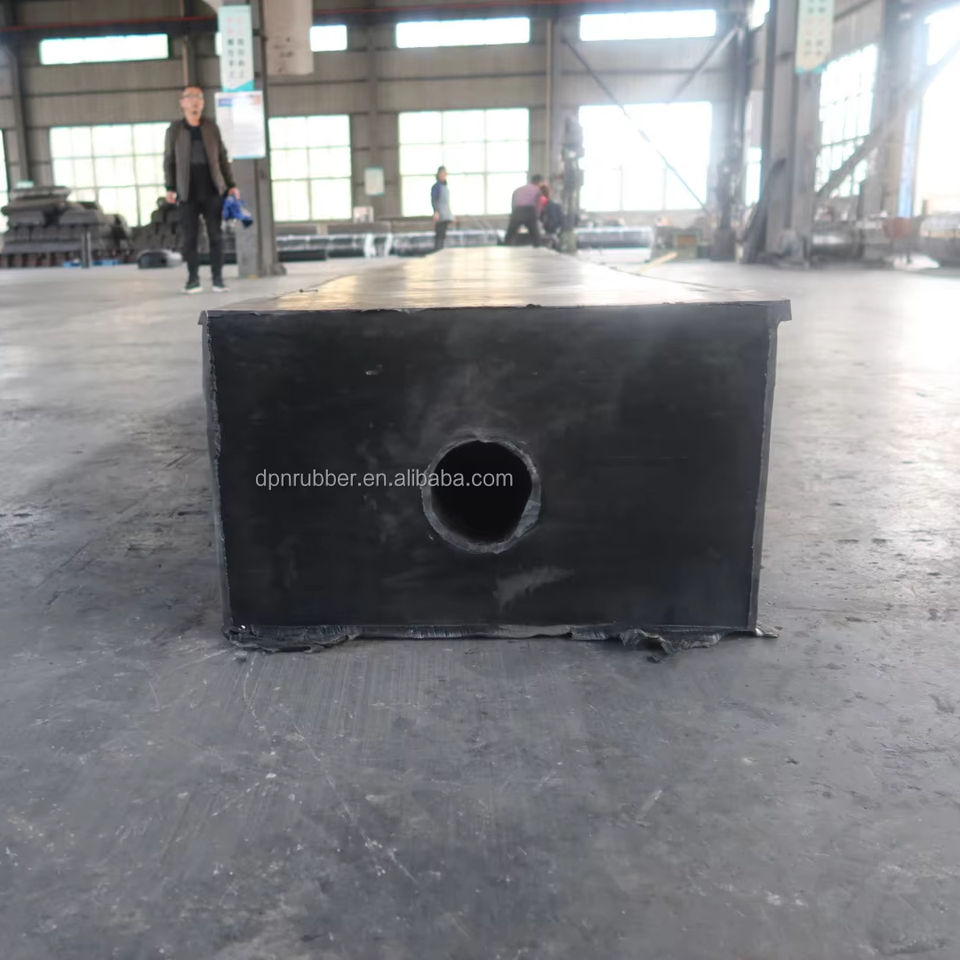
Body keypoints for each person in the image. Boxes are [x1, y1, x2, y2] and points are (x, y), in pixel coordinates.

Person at [163, 85, 240, 294]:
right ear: (183, 103)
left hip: (212, 190)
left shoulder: (211, 127)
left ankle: (218, 279)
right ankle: (193, 280)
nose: (195, 101)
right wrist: (170, 187)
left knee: (216, 236)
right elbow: (169, 160)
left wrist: (231, 185)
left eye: (198, 97)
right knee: (190, 238)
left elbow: (222, 157)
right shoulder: (175, 130)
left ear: (203, 103)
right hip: (186, 191)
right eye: (190, 97)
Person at [504, 174, 543, 246]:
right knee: (534, 232)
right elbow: (538, 205)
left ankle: (506, 244)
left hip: (517, 210)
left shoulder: (518, 189)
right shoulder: (537, 190)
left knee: (510, 232)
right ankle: (537, 246)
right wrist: (537, 215)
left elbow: (513, 203)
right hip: (529, 210)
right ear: (539, 182)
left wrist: (513, 213)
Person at [431, 166, 452, 251]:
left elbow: (447, 202)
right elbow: (434, 200)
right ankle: (437, 250)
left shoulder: (445, 186)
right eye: (442, 174)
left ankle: (441, 250)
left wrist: (450, 214)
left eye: (445, 174)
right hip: (440, 214)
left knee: (443, 234)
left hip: (446, 214)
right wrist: (435, 211)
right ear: (438, 174)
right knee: (439, 234)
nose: (443, 175)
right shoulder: (436, 186)